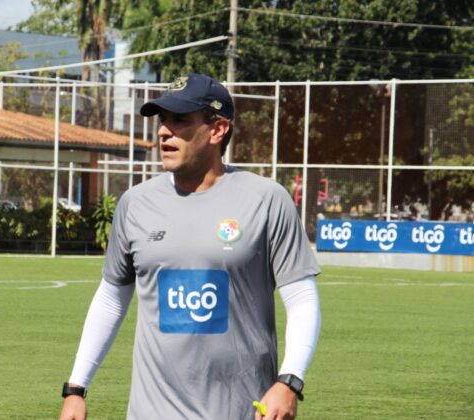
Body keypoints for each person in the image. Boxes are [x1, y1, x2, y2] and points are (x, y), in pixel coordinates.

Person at [59, 73, 322, 420]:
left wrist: (289, 382)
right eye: (163, 120)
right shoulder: (135, 203)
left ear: (218, 129)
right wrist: (76, 388)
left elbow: (302, 298)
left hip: (244, 411)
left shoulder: (267, 199)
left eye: (180, 120)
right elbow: (111, 299)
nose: (164, 131)